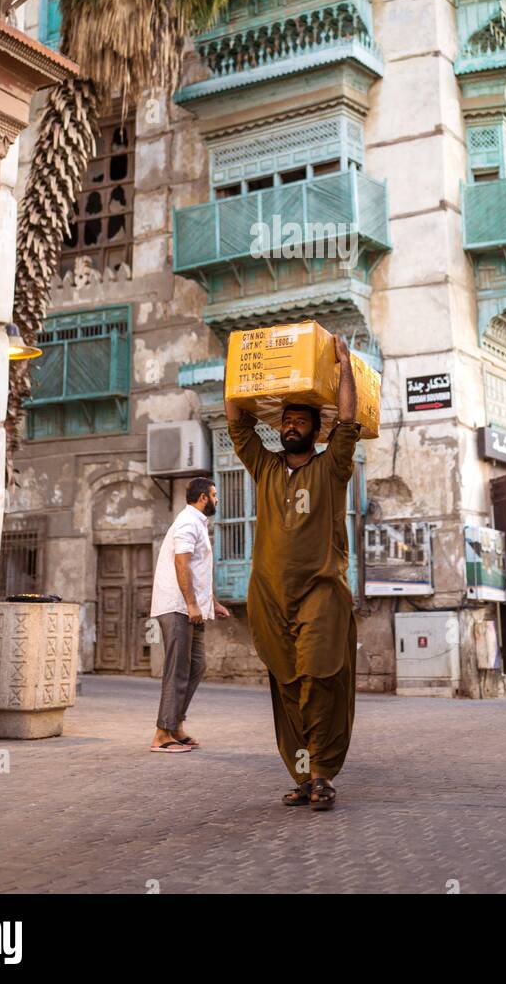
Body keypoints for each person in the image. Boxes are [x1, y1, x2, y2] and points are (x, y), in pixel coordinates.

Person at [225, 334, 360, 811]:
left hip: (321, 590)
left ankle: (323, 773)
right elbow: (239, 426)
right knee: (285, 683)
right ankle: (302, 776)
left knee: (319, 677)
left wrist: (344, 366)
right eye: (286, 420)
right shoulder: (263, 468)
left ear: (314, 430)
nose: (291, 426)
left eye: (300, 420)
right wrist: (237, 368)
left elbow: (348, 422)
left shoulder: (332, 468)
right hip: (269, 594)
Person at [149, 476, 230, 753]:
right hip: (178, 607)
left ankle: (175, 726)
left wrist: (211, 603)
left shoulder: (196, 522)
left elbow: (197, 571)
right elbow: (181, 563)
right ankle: (161, 735)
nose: (217, 500)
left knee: (196, 666)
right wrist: (192, 605)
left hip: (191, 607)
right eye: (214, 495)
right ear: (203, 497)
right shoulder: (187, 521)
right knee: (178, 669)